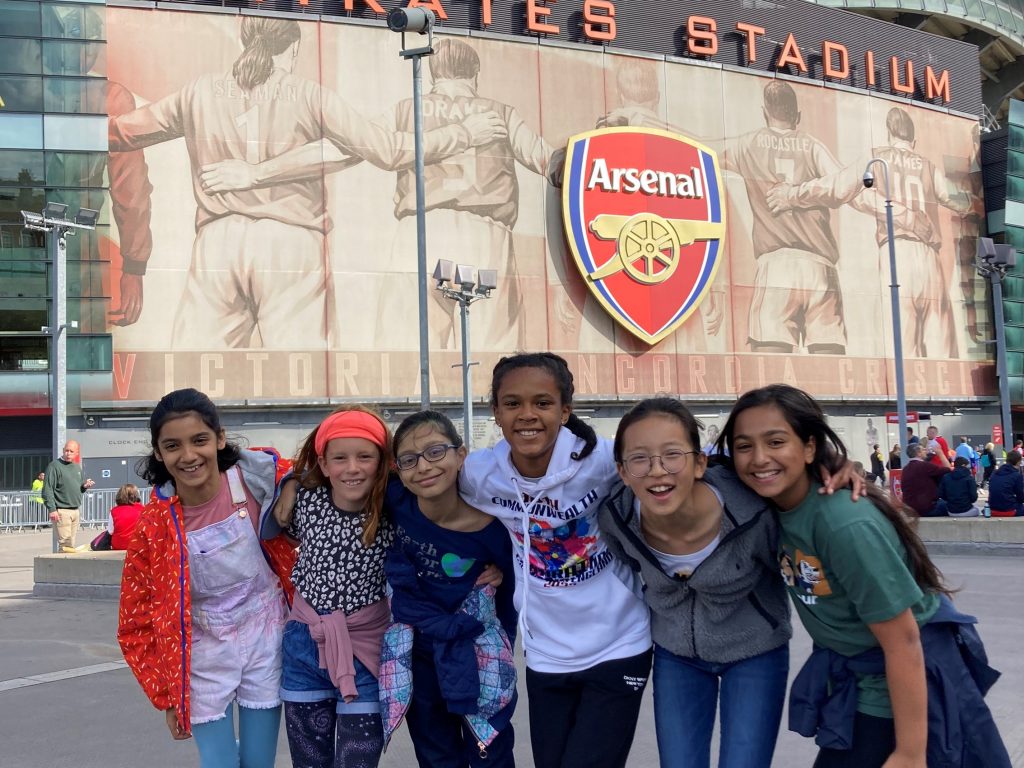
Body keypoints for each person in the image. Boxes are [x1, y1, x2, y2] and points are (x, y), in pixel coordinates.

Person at [108, 18, 505, 350]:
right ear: (293, 49)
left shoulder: (198, 92)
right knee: (300, 373)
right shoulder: (311, 96)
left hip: (217, 242)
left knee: (196, 380)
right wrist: (463, 133)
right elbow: (389, 151)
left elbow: (121, 133)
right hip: (291, 245)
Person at [721, 383, 1010, 768]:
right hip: (858, 683)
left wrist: (910, 753)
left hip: (896, 690)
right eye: (744, 446)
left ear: (809, 447)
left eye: (776, 442)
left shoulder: (842, 523)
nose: (759, 458)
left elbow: (904, 640)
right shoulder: (772, 504)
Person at [458, 353, 653, 768]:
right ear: (495, 412)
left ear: (565, 410)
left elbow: (682, 468)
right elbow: (429, 493)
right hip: (545, 652)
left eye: (542, 403)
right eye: (512, 403)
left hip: (619, 643)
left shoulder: (602, 461)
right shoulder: (479, 474)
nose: (527, 415)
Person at [599, 398, 791, 768]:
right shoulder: (616, 517)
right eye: (639, 459)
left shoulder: (753, 512)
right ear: (622, 471)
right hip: (676, 655)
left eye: (673, 454)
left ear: (700, 462)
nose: (657, 471)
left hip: (755, 652)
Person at [118, 388, 296, 768]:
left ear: (220, 438)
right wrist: (167, 694)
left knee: (258, 762)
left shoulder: (257, 482)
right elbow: (135, 620)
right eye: (172, 446)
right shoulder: (153, 526)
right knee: (219, 763)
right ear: (158, 453)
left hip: (266, 634)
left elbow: (331, 468)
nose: (188, 456)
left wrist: (293, 484)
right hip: (199, 651)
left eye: (199, 440)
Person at [767, 106, 976, 359]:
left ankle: (906, 395)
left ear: (889, 134)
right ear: (914, 140)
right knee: (941, 341)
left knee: (901, 341)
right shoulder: (928, 167)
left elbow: (836, 186)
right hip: (930, 256)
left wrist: (792, 195)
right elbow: (958, 201)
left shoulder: (876, 158)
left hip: (896, 251)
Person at [383, 410, 518, 767]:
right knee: (435, 754)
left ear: (462, 456)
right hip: (419, 652)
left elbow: (513, 597)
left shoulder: (496, 530)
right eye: (409, 460)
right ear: (398, 469)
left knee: (491, 752)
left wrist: (502, 575)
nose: (424, 467)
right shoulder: (397, 501)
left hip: (477, 652)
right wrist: (288, 485)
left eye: (436, 451)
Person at [270, 406, 395, 768]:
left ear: (384, 461)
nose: (352, 468)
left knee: (357, 762)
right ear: (323, 464)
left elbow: (446, 513)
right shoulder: (306, 501)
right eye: (339, 458)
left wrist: (490, 561)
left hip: (366, 648)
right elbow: (253, 463)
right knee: (309, 762)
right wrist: (289, 481)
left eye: (365, 457)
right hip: (304, 645)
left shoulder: (394, 507)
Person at [42, 440, 96, 553]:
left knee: (71, 544)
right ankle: (63, 568)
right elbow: (47, 489)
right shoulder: (54, 466)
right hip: (62, 511)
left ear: (76, 453)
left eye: (71, 451)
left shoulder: (77, 467)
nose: (68, 453)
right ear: (63, 451)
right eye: (66, 450)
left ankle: (66, 566)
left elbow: (78, 488)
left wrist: (85, 486)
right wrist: (52, 509)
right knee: (65, 545)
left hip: (75, 510)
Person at [901, 443, 951, 517]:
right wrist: (941, 454)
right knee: (954, 506)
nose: (926, 451)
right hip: (927, 509)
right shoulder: (925, 466)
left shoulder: (905, 469)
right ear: (919, 453)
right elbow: (948, 469)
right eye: (923, 450)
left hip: (910, 509)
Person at [101, 483, 145, 550]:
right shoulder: (142, 509)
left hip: (118, 545)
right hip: (137, 545)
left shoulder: (114, 511)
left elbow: (110, 531)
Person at [987, 450, 1024, 517]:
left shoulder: (995, 473)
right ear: (1018, 462)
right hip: (1008, 509)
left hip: (992, 508)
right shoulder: (1017, 475)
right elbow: (1020, 497)